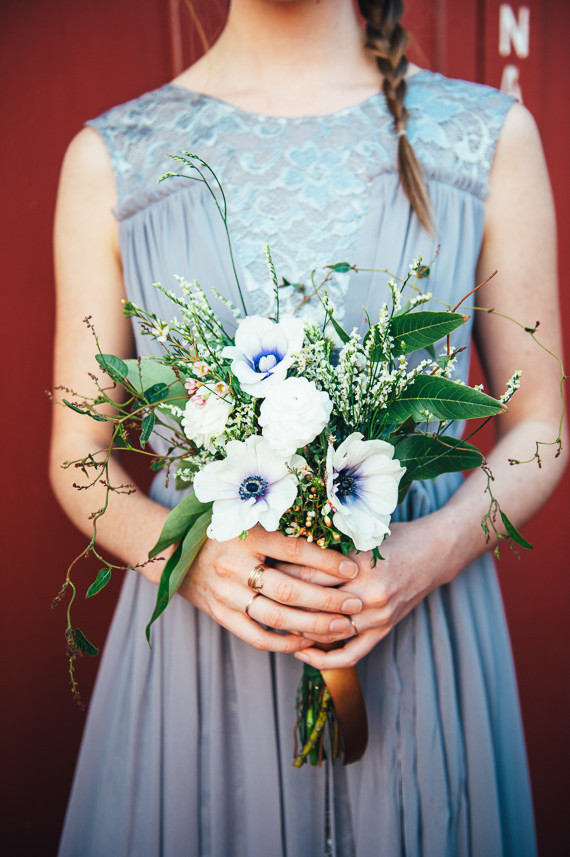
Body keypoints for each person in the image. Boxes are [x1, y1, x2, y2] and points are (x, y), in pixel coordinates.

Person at [51, 1, 565, 855]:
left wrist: (430, 554)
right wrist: (187, 561)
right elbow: (78, 453)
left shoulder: (486, 137)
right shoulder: (113, 160)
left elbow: (542, 424)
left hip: (419, 629)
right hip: (203, 654)